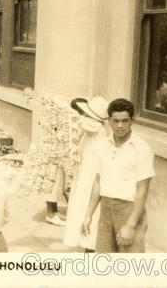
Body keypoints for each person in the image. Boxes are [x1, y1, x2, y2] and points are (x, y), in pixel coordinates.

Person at [81, 99, 155, 253]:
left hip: (129, 211)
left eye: (125, 121)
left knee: (130, 268)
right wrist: (88, 215)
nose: (120, 126)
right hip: (106, 211)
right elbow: (97, 182)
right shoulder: (102, 146)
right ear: (109, 121)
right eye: (115, 121)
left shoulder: (142, 149)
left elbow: (143, 190)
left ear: (132, 121)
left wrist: (130, 225)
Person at [63, 96, 109, 251]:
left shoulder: (96, 128)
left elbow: (83, 123)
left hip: (90, 178)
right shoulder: (93, 128)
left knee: (86, 209)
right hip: (84, 175)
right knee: (81, 208)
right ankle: (87, 243)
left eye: (86, 114)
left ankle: (90, 244)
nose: (83, 116)